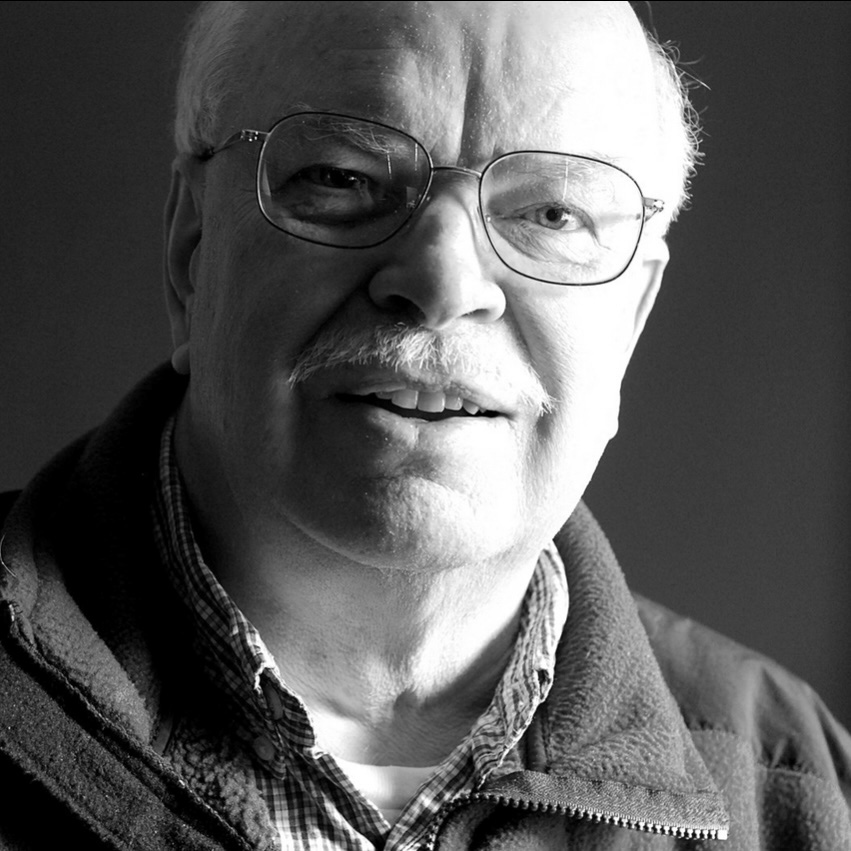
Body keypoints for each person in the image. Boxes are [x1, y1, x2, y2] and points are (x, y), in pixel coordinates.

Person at [0, 1, 849, 849]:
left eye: (552, 215)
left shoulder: (800, 791)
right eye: (342, 178)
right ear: (191, 253)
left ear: (629, 324)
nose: (443, 283)